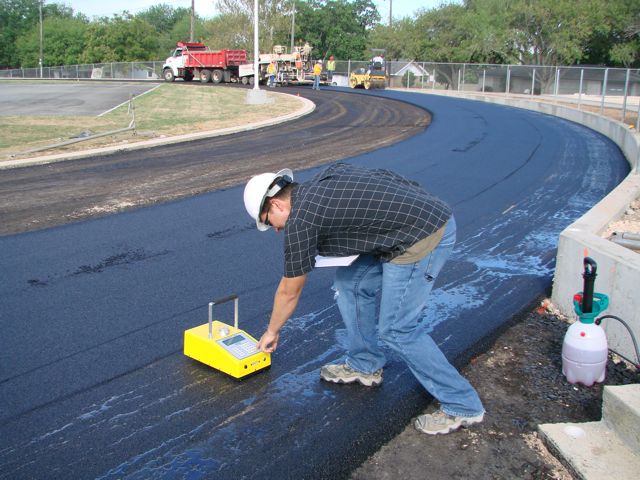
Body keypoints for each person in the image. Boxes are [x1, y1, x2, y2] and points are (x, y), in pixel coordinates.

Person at [243, 162, 485, 435]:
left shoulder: (301, 221)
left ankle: (462, 404)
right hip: (407, 224)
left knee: (396, 328)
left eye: (268, 222)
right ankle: (365, 364)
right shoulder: (326, 178)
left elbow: (290, 290)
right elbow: (388, 176)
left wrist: (272, 331)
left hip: (422, 236)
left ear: (276, 205)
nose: (274, 229)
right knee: (350, 282)